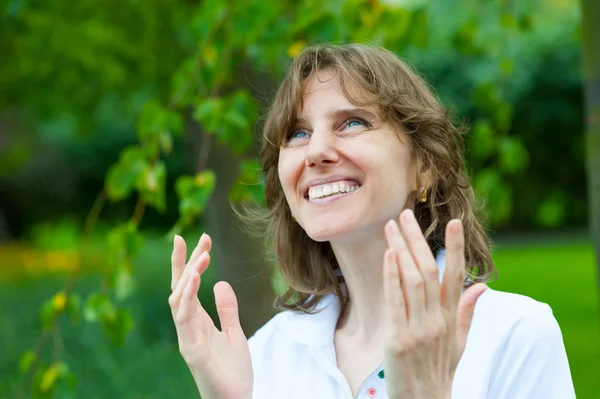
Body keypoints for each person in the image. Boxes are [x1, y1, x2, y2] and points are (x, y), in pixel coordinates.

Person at [168, 43, 576, 399]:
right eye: (297, 133)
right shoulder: (264, 356)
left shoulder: (513, 335)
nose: (317, 151)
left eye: (353, 123)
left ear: (424, 165)